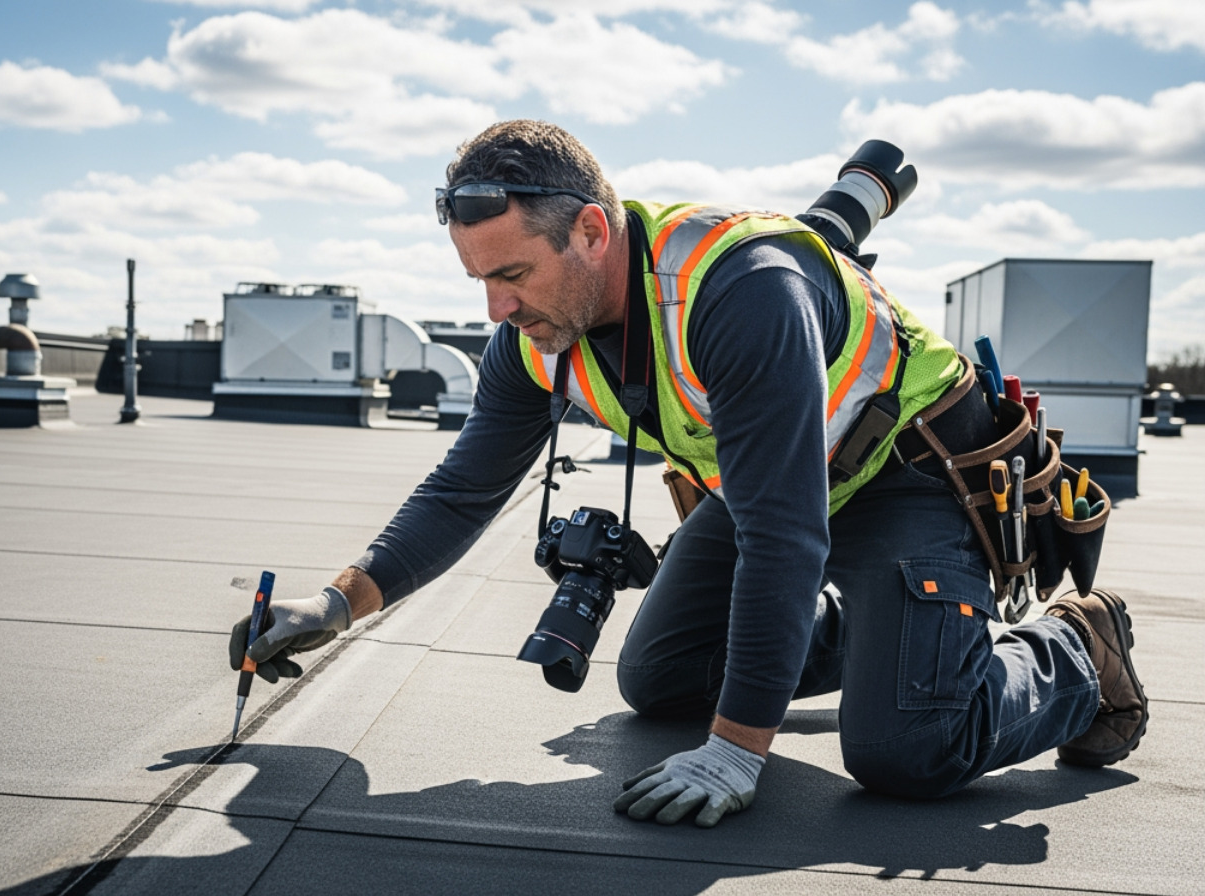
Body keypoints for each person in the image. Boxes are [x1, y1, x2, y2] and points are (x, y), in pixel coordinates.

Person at [229, 120, 1148, 828]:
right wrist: (336, 603)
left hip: (906, 477)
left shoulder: (743, 292)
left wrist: (739, 750)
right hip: (777, 489)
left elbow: (784, 537)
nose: (498, 307)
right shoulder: (533, 335)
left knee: (907, 750)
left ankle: (1076, 649)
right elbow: (462, 490)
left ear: (592, 230)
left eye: (512, 273)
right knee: (662, 677)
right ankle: (889, 641)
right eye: (479, 281)